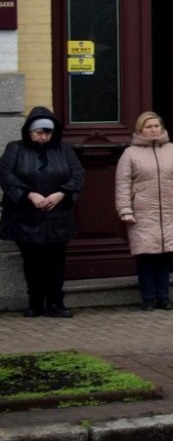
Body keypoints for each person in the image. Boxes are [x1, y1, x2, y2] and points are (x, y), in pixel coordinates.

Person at [1, 107, 85, 318]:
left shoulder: (64, 150)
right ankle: (35, 303)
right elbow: (6, 175)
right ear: (29, 131)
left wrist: (61, 193)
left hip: (58, 216)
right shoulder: (15, 149)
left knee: (55, 260)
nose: (43, 137)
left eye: (48, 133)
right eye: (39, 132)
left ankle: (55, 303)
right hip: (26, 216)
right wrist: (29, 194)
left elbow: (77, 174)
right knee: (32, 261)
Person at [117, 111, 173, 311]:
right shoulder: (130, 154)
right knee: (146, 256)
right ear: (140, 129)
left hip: (169, 211)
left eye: (156, 126)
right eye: (148, 127)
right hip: (142, 212)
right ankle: (148, 297)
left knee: (164, 256)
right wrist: (125, 209)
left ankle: (164, 296)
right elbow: (123, 183)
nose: (153, 130)